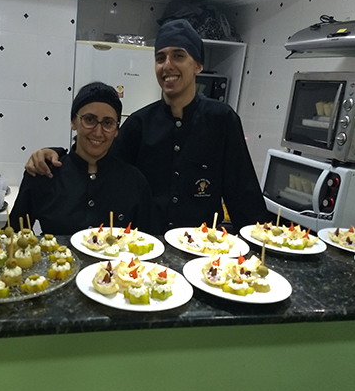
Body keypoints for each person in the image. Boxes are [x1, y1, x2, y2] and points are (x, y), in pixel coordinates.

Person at [25, 19, 270, 234]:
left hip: (202, 253)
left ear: (198, 65)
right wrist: (55, 155)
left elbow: (243, 194)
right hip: (145, 251)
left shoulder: (222, 120)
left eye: (178, 56)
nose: (167, 65)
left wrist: (261, 253)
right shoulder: (139, 124)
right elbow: (97, 161)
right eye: (160, 58)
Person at [9, 82, 158, 235]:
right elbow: (13, 235)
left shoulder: (134, 182)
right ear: (73, 122)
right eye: (89, 120)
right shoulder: (44, 173)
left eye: (108, 123)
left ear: (116, 130)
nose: (98, 132)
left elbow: (149, 240)